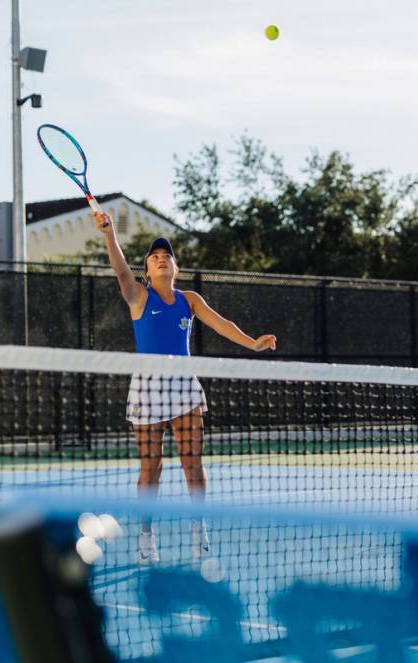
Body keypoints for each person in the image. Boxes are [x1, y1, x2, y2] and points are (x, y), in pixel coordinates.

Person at [95, 211, 277, 563]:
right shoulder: (138, 297)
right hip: (147, 390)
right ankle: (146, 535)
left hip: (184, 387)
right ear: (147, 270)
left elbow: (222, 323)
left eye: (167, 257)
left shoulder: (190, 300)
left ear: (175, 268)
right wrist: (109, 235)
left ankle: (199, 529)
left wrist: (253, 343)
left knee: (192, 463)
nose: (162, 260)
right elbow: (120, 272)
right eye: (154, 257)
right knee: (152, 467)